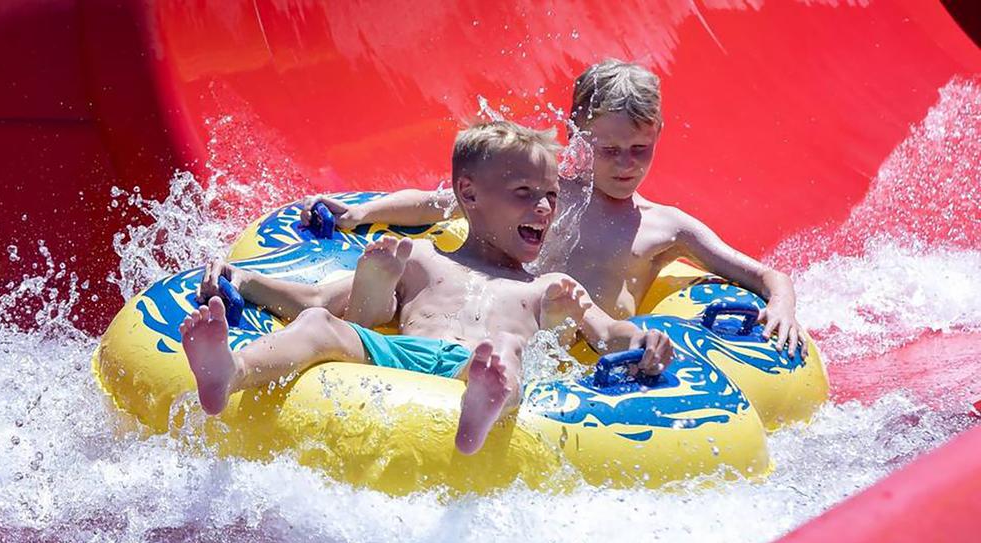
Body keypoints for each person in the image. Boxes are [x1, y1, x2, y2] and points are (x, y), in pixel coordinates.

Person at [180, 121, 672, 455]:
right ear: (469, 196)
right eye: (524, 194)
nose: (543, 208)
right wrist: (244, 280)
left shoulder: (550, 286)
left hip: (476, 368)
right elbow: (314, 301)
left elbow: (606, 332)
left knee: (504, 351)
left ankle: (483, 409)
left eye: (550, 196)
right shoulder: (420, 257)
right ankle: (232, 370)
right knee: (317, 326)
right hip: (402, 354)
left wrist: (640, 341)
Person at [300, 58, 808, 357]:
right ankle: (259, 292)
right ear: (577, 133)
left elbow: (764, 275)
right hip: (495, 314)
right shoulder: (550, 191)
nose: (626, 165)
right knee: (377, 278)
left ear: (658, 135)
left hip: (567, 355)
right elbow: (440, 204)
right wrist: (360, 214)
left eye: (640, 149)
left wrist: (781, 304)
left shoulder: (663, 226)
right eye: (609, 150)